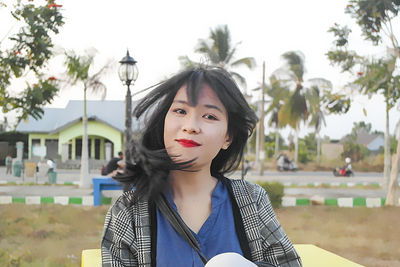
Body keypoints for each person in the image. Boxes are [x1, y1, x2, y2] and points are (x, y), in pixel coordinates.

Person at [101, 67, 302, 267]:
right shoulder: (127, 212)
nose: (191, 126)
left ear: (227, 137)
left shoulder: (252, 200)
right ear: (164, 121)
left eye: (210, 116)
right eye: (180, 111)